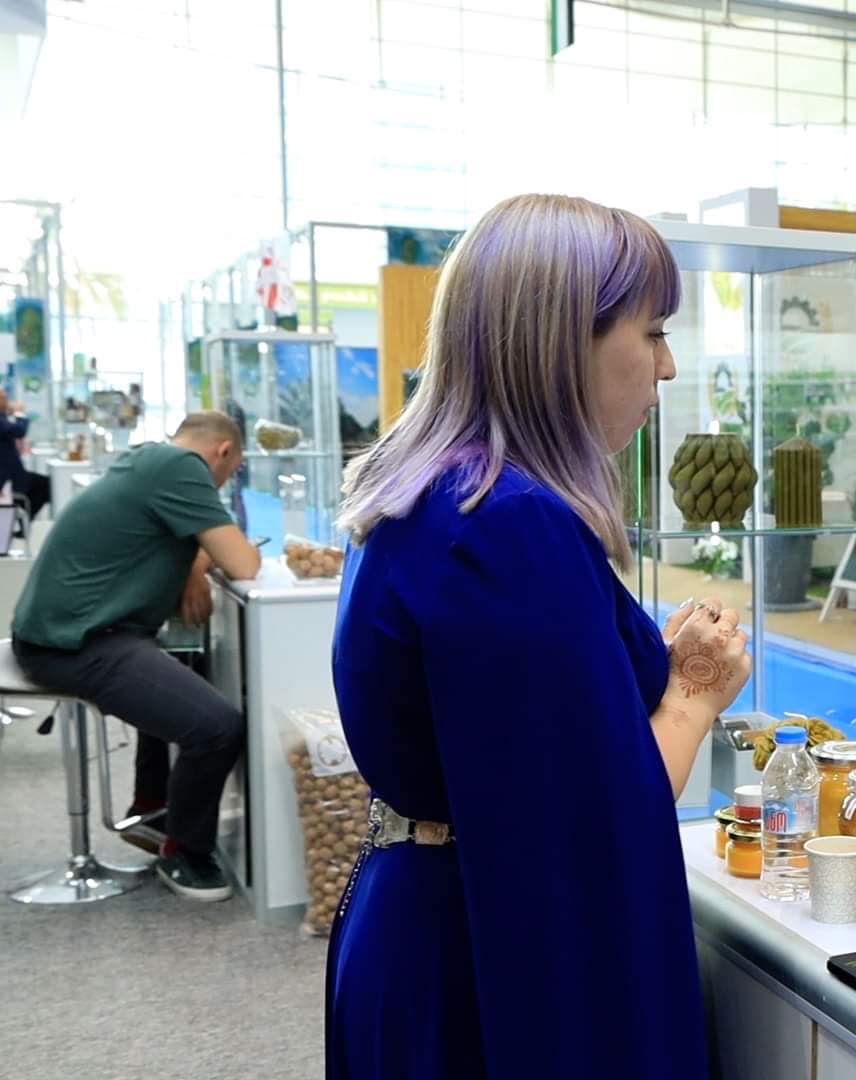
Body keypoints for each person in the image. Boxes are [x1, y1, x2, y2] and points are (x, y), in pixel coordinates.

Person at [327, 193, 748, 1078]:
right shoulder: (508, 525)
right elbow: (596, 815)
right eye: (653, 332)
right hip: (497, 961)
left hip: (423, 926)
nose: (667, 366)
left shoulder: (426, 491)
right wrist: (694, 694)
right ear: (563, 342)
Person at [10, 411, 262, 899]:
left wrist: (193, 562)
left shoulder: (148, 461)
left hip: (66, 633)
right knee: (218, 728)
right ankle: (184, 853)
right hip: (77, 642)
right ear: (224, 452)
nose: (222, 486)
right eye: (229, 475)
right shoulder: (183, 468)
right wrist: (205, 554)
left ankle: (154, 807)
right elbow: (244, 562)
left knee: (184, 668)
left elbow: (182, 543)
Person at [0, 388, 51, 519]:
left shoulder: (2, 417)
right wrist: (19, 413)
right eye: (4, 398)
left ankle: (22, 520)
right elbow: (19, 431)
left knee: (43, 485)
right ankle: (23, 520)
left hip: (12, 475)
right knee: (47, 485)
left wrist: (10, 411)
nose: (7, 401)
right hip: (8, 478)